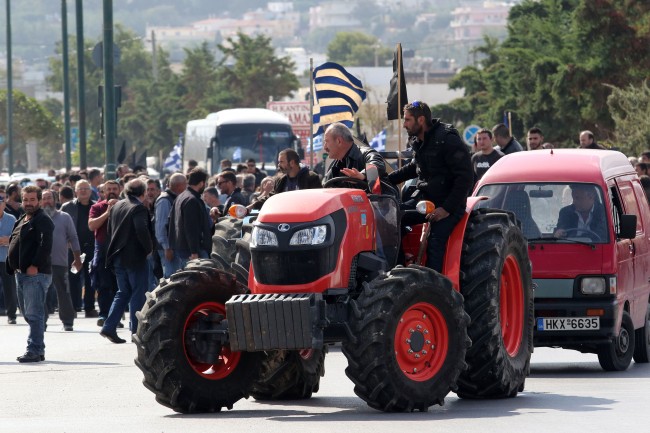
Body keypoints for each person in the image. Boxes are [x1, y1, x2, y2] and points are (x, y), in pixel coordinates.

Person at [387, 101, 473, 272]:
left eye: (407, 120)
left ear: (420, 120)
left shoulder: (447, 139)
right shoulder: (417, 140)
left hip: (448, 204)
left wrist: (446, 209)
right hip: (425, 201)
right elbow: (414, 168)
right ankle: (397, 272)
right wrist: (385, 180)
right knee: (392, 221)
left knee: (435, 241)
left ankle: (435, 287)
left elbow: (465, 177)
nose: (404, 125)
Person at [101, 179, 153, 343]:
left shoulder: (117, 206)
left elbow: (110, 230)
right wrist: (149, 248)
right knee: (138, 292)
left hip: (118, 256)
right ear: (143, 193)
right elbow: (141, 229)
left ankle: (109, 327)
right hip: (134, 257)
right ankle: (136, 331)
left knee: (123, 292)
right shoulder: (138, 208)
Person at [7, 186, 54, 362]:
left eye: (32, 200)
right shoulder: (22, 219)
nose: (28, 203)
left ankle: (34, 349)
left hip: (36, 274)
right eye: (26, 200)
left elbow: (45, 245)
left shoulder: (42, 220)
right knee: (28, 313)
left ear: (40, 201)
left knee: (34, 314)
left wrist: (35, 265)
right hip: (21, 274)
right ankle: (38, 348)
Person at [42, 189, 81, 332]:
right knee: (41, 294)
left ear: (55, 200)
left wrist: (77, 258)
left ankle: (68, 321)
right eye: (44, 198)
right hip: (40, 264)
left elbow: (74, 238)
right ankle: (42, 321)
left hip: (60, 262)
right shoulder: (36, 218)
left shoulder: (65, 217)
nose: (47, 201)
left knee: (64, 292)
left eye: (49, 198)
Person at [88, 180, 122, 327]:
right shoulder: (97, 207)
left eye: (115, 188)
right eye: (109, 189)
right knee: (103, 285)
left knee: (118, 287)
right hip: (102, 250)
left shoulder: (125, 206)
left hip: (120, 251)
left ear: (120, 190)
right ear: (103, 192)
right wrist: (108, 213)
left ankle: (115, 317)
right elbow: (92, 225)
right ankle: (104, 314)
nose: (112, 191)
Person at [61, 180, 97, 317]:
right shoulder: (67, 207)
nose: (83, 191)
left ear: (90, 191)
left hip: (92, 248)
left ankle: (89, 307)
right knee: (73, 277)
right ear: (75, 191)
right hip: (73, 248)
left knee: (90, 279)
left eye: (86, 188)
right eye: (80, 189)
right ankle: (74, 307)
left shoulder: (96, 206)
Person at [250, 148, 321, 210]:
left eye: (281, 162)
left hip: (304, 221)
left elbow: (317, 201)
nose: (278, 165)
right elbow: (272, 197)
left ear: (292, 163)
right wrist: (252, 206)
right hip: (283, 220)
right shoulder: (280, 180)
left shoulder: (311, 178)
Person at [168, 168, 212, 267]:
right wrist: (194, 252)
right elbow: (191, 228)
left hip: (183, 248)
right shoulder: (192, 200)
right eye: (205, 183)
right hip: (193, 252)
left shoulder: (181, 197)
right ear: (201, 183)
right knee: (199, 281)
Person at [322, 122, 388, 184]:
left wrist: (362, 175)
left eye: (326, 141)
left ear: (339, 141)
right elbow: (324, 187)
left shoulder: (366, 154)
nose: (324, 147)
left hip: (383, 196)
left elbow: (377, 165)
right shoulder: (335, 166)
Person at [155, 173, 187, 279]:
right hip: (169, 248)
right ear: (178, 186)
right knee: (171, 278)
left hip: (174, 247)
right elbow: (161, 226)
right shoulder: (164, 200)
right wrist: (167, 248)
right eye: (184, 184)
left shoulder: (174, 198)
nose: (186, 187)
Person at [0, 194, 18, 325]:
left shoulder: (11, 218)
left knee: (10, 287)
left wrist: (8, 240)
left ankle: (11, 314)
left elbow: (19, 236)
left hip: (6, 258)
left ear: (4, 204)